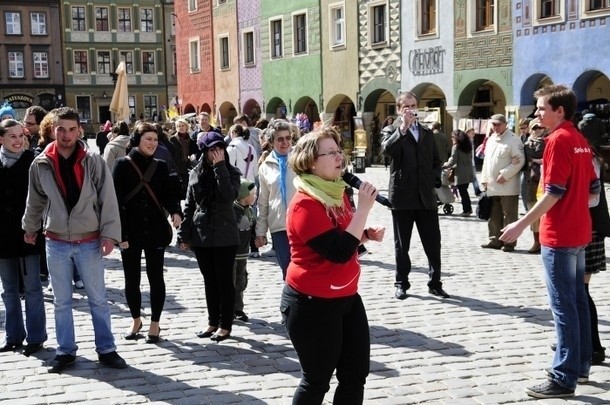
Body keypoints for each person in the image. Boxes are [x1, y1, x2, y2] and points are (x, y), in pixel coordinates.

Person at [500, 84, 600, 399]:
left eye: (542, 108)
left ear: (560, 111)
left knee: (563, 306)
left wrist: (521, 223)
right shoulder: (580, 140)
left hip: (560, 234)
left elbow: (554, 191)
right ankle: (581, 366)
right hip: (580, 231)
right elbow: (593, 191)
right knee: (578, 302)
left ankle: (564, 376)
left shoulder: (557, 140)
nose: (538, 112)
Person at [281, 128, 385, 403]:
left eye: (340, 151)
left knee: (355, 374)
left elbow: (343, 240)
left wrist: (364, 234)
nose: (340, 157)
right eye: (332, 153)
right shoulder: (305, 204)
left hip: (347, 298)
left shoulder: (338, 193)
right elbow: (337, 252)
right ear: (311, 162)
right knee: (317, 381)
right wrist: (363, 210)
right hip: (312, 304)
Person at [22, 107, 127, 373]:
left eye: (71, 129)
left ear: (79, 130)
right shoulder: (41, 162)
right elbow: (35, 201)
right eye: (60, 129)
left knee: (98, 300)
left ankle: (106, 349)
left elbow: (108, 199)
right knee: (62, 301)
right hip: (55, 240)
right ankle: (65, 351)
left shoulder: (92, 159)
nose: (66, 135)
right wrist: (30, 228)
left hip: (89, 239)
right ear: (52, 130)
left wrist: (109, 235)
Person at [112, 122, 182, 344]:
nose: (152, 143)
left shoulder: (160, 166)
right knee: (131, 279)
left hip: (155, 230)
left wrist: (175, 211)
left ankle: (155, 323)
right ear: (137, 141)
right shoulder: (121, 165)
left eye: (155, 139)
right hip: (130, 231)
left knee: (156, 278)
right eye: (148, 139)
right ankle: (135, 319)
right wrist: (120, 234)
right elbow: (115, 201)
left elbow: (168, 195)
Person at [381, 91, 449, 300]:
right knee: (402, 245)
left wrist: (435, 179)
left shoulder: (427, 132)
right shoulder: (391, 130)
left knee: (433, 243)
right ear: (399, 110)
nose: (410, 109)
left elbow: (436, 161)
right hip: (403, 196)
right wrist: (402, 129)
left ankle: (435, 282)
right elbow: (387, 151)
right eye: (406, 107)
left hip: (426, 196)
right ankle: (402, 283)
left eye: (413, 105)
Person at [178, 132, 241, 342]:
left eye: (220, 148)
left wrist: (219, 167)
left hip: (225, 234)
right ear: (204, 152)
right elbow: (189, 205)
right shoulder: (195, 173)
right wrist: (183, 234)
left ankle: (226, 324)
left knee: (224, 280)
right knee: (209, 281)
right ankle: (212, 321)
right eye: (212, 149)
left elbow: (228, 195)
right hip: (202, 233)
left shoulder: (231, 172)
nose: (217, 153)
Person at [0, 119, 47, 357]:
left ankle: (36, 337)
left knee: (32, 287)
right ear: (1, 139)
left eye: (21, 136)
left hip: (28, 233)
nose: (18, 141)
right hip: (2, 236)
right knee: (8, 289)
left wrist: (36, 228)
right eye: (12, 136)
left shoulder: (33, 161)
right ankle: (13, 336)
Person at [255, 119, 297, 279]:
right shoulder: (265, 167)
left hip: (302, 223)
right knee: (288, 272)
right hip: (279, 227)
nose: (285, 142)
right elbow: (263, 202)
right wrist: (260, 232)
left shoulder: (300, 160)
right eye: (280, 139)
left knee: (306, 269)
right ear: (272, 142)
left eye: (288, 138)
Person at [479, 114, 525, 252]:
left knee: (509, 215)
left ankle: (509, 242)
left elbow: (519, 160)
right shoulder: (492, 139)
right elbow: (487, 162)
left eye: (498, 124)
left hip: (507, 185)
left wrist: (505, 174)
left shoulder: (513, 140)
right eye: (493, 124)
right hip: (493, 185)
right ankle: (495, 239)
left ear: (505, 124)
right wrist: (484, 179)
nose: (495, 127)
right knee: (494, 214)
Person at [233, 178, 256, 322]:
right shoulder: (232, 210)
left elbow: (252, 230)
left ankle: (238, 309)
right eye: (252, 193)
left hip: (243, 254)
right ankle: (227, 309)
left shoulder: (250, 211)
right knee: (230, 282)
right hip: (232, 254)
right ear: (243, 195)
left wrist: (257, 241)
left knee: (241, 282)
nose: (254, 196)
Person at [523, 119, 546, 254]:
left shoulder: (549, 141)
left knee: (546, 211)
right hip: (530, 180)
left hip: (545, 179)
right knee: (533, 210)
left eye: (540, 127)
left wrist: (537, 161)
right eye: (535, 127)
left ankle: (545, 241)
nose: (537, 130)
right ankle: (537, 241)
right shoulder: (525, 144)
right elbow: (524, 161)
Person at [443, 130, 474, 216]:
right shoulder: (467, 146)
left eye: (452, 137)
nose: (451, 139)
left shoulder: (456, 147)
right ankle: (468, 209)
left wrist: (445, 165)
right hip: (468, 171)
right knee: (464, 191)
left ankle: (467, 210)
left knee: (463, 192)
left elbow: (453, 160)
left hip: (461, 172)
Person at [169, 118, 198, 199]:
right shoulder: (172, 139)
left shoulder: (191, 140)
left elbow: (194, 153)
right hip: (177, 168)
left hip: (188, 168)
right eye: (178, 126)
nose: (181, 127)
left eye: (182, 125)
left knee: (188, 191)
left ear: (186, 127)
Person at [465, 128, 482, 196]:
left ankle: (477, 190)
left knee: (473, 178)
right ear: (468, 133)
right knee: (469, 178)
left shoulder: (471, 141)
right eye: (472, 133)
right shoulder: (466, 141)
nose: (474, 135)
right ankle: (476, 190)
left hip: (472, 162)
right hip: (469, 163)